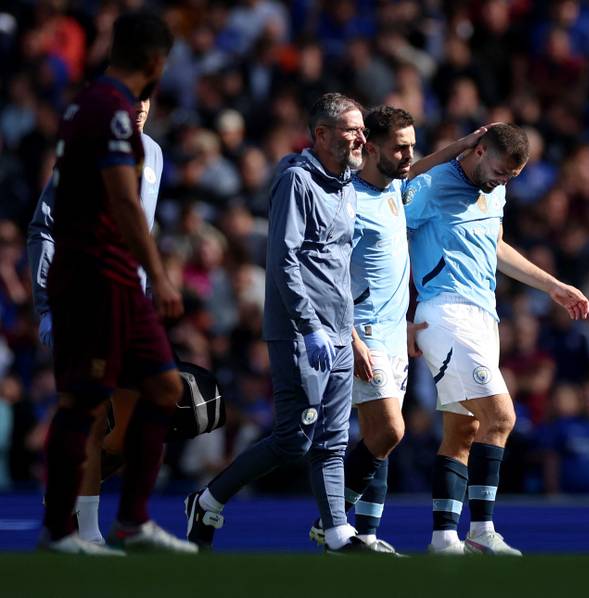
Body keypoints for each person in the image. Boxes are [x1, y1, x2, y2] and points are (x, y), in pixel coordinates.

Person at [185, 93, 371, 553]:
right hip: (300, 332)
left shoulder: (347, 184)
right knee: (293, 439)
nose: (361, 138)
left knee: (333, 438)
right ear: (322, 134)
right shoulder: (296, 182)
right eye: (352, 129)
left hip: (338, 331)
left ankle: (336, 531)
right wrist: (309, 326)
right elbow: (283, 259)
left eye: (362, 129)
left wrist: (349, 332)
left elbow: (338, 267)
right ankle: (207, 500)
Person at [40, 11, 195, 555]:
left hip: (120, 283)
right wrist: (160, 275)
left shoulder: (92, 105)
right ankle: (61, 530)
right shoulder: (108, 111)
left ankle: (131, 520)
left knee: (165, 388)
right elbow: (124, 205)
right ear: (154, 61)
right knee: (83, 406)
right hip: (95, 279)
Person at [307, 106, 489, 554]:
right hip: (362, 331)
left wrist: (462, 145)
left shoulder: (394, 187)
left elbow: (421, 167)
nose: (409, 156)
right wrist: (352, 339)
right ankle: (330, 521)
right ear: (371, 149)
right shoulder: (348, 201)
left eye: (412, 146)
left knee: (379, 440)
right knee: (389, 431)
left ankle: (366, 534)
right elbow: (329, 277)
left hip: (393, 333)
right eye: (399, 148)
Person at [405, 123, 589, 555]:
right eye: (500, 171)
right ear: (479, 150)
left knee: (465, 429)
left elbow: (496, 245)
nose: (502, 181)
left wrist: (551, 285)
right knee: (502, 418)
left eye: (511, 177)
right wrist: (400, 318)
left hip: (484, 315)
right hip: (445, 310)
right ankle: (482, 530)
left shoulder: (496, 190)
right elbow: (389, 236)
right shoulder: (432, 185)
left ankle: (443, 539)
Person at [28, 96, 162, 546]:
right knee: (90, 411)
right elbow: (44, 226)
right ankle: (87, 530)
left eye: (147, 96)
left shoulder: (154, 152)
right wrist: (47, 306)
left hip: (133, 307)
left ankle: (67, 495)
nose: (140, 105)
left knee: (136, 417)